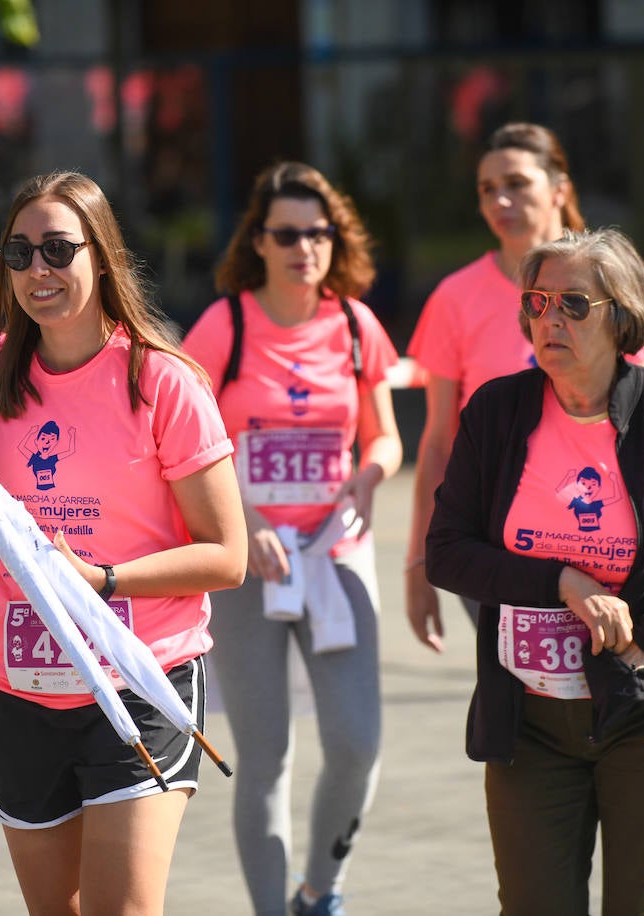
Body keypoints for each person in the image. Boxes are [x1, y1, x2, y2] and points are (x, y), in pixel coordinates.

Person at [0, 170, 247, 915]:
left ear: (102, 255)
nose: (38, 271)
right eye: (18, 254)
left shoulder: (165, 380)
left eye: (58, 249)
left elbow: (228, 555)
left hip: (137, 678)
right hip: (16, 684)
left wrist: (103, 578)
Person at [425, 227, 644, 915]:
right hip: (526, 717)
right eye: (537, 302)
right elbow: (448, 549)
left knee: (643, 908)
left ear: (621, 314)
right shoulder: (498, 411)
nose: (549, 319)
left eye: (573, 304)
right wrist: (561, 581)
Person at [181, 161, 403, 916]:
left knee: (356, 742)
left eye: (318, 232)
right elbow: (181, 445)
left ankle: (322, 889)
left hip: (335, 560)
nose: (304, 246)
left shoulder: (354, 324)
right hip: (249, 563)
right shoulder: (226, 326)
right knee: (265, 756)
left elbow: (385, 440)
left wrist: (369, 476)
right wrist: (246, 518)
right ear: (260, 241)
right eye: (287, 234)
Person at [404, 122, 588, 651]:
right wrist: (420, 560)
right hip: (496, 545)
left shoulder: (612, 284)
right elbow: (440, 439)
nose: (499, 199)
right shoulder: (455, 297)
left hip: (600, 535)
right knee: (522, 702)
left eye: (517, 182)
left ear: (559, 190)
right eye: (486, 188)